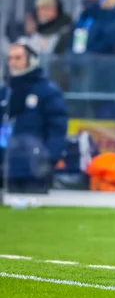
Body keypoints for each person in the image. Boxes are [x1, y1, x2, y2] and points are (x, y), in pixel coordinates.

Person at [0, 43, 68, 193]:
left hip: (35, 166)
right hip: (7, 165)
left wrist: (50, 158)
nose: (13, 63)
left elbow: (57, 127)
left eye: (18, 58)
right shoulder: (5, 92)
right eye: (10, 59)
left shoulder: (47, 91)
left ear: (31, 60)